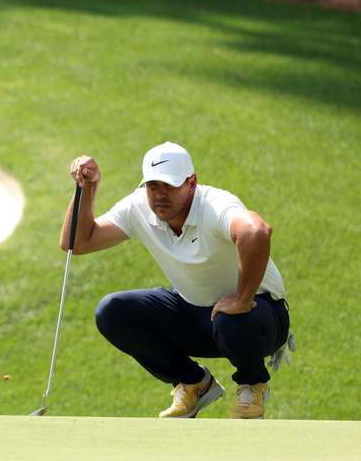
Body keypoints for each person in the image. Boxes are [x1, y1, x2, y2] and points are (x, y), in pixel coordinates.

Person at [61, 142, 293, 419]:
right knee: (112, 312)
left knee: (231, 322)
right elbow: (77, 242)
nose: (159, 195)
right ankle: (194, 383)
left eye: (168, 186)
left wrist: (242, 300)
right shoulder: (139, 207)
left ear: (191, 183)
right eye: (152, 185)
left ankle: (252, 383)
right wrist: (88, 189)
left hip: (259, 318)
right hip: (198, 315)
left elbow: (257, 232)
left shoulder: (213, 205)